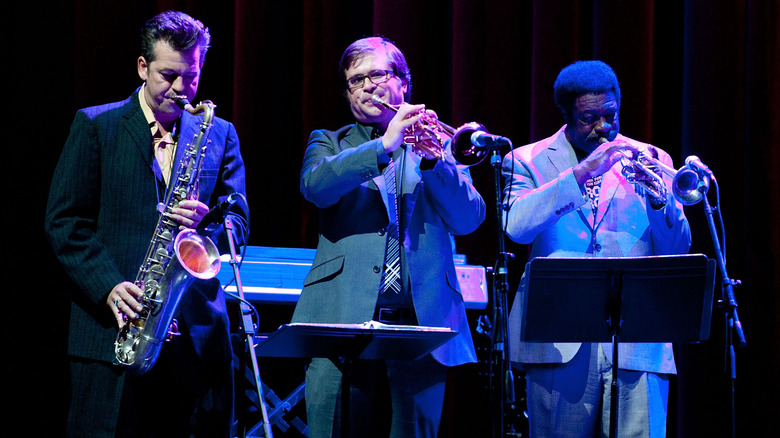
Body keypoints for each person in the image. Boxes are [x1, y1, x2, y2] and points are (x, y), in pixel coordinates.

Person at [45, 10, 248, 438]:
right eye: (168, 75)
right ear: (143, 67)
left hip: (195, 338)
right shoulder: (96, 126)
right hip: (111, 333)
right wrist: (109, 286)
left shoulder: (220, 133)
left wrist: (206, 226)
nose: (180, 89)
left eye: (191, 77)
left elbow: (239, 222)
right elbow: (64, 221)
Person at [291, 36, 486, 437]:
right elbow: (315, 186)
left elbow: (469, 219)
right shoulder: (330, 141)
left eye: (377, 74)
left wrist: (436, 161)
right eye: (355, 80)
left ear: (403, 82)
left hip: (423, 321)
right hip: (341, 318)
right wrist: (383, 146)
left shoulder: (438, 147)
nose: (367, 86)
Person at [501, 60, 691, 437]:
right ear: (567, 114)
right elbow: (517, 228)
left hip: (639, 337)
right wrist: (582, 172)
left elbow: (677, 247)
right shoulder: (524, 160)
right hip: (557, 339)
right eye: (590, 118)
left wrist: (658, 203)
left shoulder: (653, 157)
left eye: (611, 115)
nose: (604, 127)